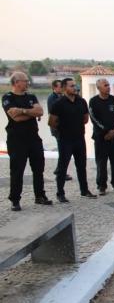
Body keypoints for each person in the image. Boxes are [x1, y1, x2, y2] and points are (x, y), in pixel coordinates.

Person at [2, 72, 52, 211]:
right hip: (16, 139)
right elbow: (14, 118)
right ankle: (15, 200)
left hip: (33, 138)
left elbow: (40, 112)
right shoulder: (7, 97)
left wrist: (22, 111)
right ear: (16, 82)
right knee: (17, 170)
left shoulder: (31, 96)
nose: (27, 83)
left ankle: (40, 196)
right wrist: (31, 113)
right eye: (25, 81)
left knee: (38, 168)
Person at [48, 78, 96, 203]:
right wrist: (62, 129)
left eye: (75, 85)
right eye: (71, 86)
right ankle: (60, 193)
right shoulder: (58, 103)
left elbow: (86, 119)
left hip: (79, 138)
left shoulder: (81, 101)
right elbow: (51, 122)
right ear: (64, 88)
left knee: (81, 165)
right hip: (65, 139)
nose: (75, 88)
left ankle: (84, 190)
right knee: (63, 167)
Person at [88, 78, 114, 195]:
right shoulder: (93, 101)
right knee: (101, 162)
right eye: (105, 85)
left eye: (109, 85)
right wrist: (106, 131)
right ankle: (101, 186)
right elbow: (94, 118)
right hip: (101, 137)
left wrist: (113, 131)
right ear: (99, 88)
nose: (108, 87)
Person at [47, 79, 72, 181]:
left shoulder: (61, 97)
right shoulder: (52, 98)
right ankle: (60, 173)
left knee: (64, 151)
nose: (61, 88)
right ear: (54, 87)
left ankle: (59, 170)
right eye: (59, 86)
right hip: (57, 129)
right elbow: (54, 113)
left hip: (64, 128)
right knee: (63, 151)